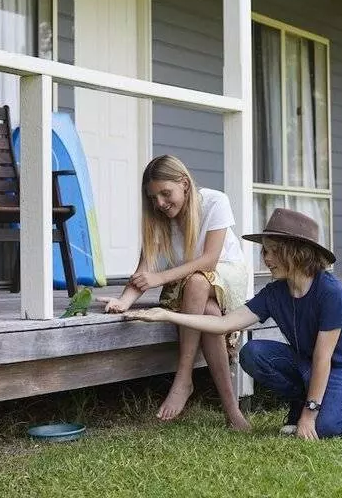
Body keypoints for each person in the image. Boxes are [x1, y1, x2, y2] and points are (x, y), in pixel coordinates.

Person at [123, 208, 342, 439]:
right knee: (253, 354)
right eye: (264, 252)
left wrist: (309, 415)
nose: (265, 259)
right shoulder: (275, 293)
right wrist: (168, 315)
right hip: (307, 362)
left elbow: (323, 358)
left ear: (296, 252)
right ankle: (304, 402)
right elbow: (226, 324)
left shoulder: (330, 291)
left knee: (330, 428)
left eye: (272, 252)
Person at [97, 155, 251, 431]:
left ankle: (183, 378)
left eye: (165, 193)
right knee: (208, 311)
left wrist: (160, 278)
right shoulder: (158, 222)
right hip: (191, 290)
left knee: (198, 282)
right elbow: (143, 273)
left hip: (226, 275)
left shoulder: (215, 202)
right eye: (153, 197)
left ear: (184, 184)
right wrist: (123, 301)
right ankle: (233, 413)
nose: (160, 203)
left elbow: (210, 261)